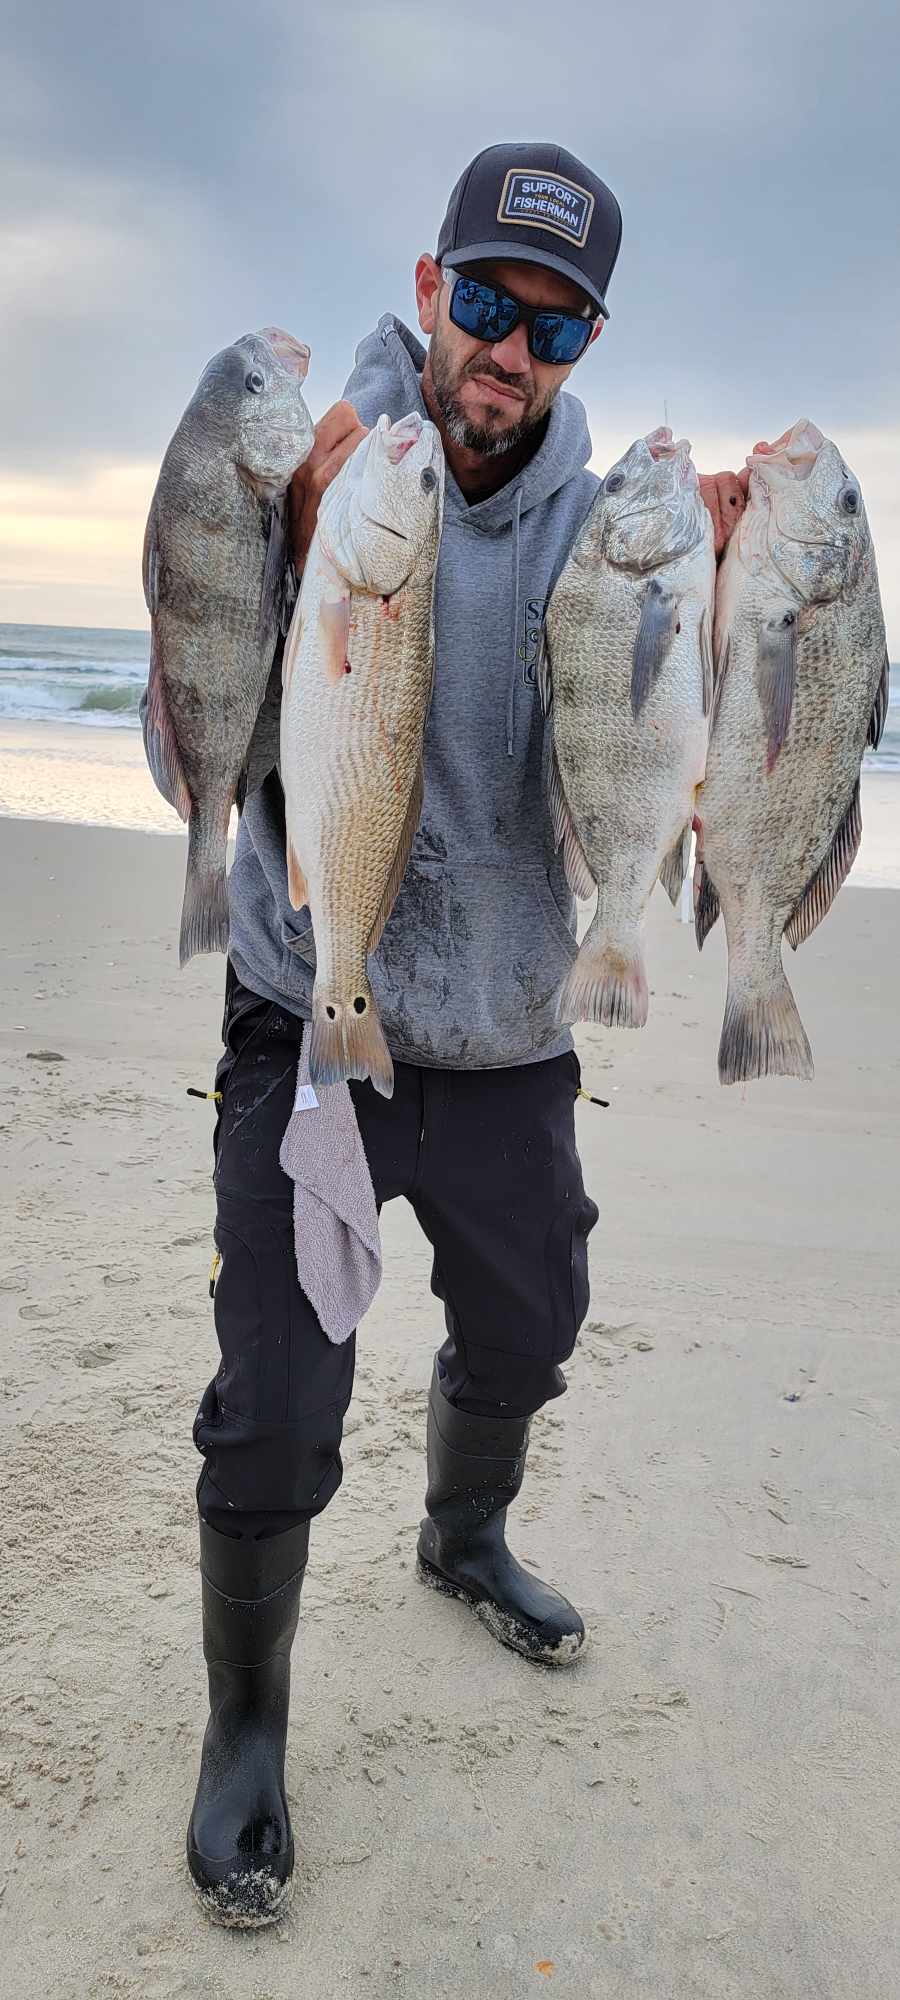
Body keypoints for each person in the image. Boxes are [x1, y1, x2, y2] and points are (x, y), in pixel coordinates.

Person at [143, 141, 749, 1929]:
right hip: (309, 1022)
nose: (509, 348)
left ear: (581, 351)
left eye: (552, 326)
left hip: (503, 1036)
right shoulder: (314, 462)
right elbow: (204, 681)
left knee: (534, 1323)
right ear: (430, 288)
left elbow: (703, 723)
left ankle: (462, 1531)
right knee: (271, 1412)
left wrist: (727, 590)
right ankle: (245, 1725)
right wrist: (273, 524)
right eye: (486, 302)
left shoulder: (599, 525)